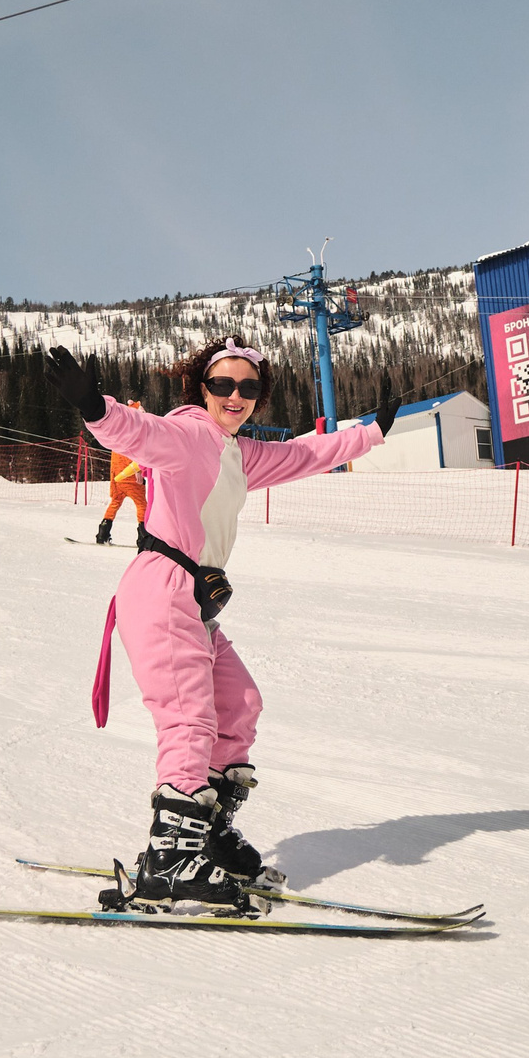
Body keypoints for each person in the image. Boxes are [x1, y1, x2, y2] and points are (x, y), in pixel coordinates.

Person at [44, 337, 394, 916]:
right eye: (223, 385)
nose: (236, 396)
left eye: (249, 387)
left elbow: (305, 455)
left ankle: (203, 837)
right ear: (199, 389)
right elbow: (137, 433)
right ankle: (169, 861)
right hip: (160, 588)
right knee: (189, 717)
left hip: (194, 601)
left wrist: (373, 431)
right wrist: (95, 408)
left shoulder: (237, 451)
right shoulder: (187, 433)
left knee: (239, 704)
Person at [93, 403, 149, 544]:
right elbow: (138, 458)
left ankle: (102, 533)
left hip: (118, 478)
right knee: (142, 505)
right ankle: (143, 537)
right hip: (132, 479)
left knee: (115, 503)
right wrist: (141, 474)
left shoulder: (116, 436)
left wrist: (113, 480)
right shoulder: (134, 436)